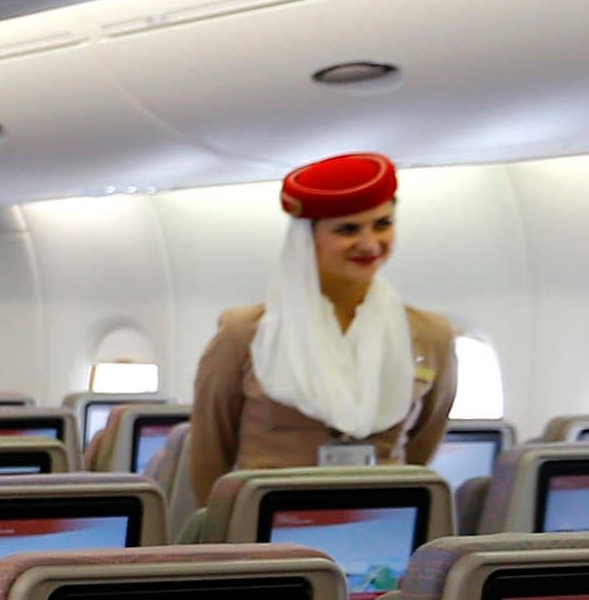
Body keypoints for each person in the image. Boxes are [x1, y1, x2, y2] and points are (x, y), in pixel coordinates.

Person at [180, 151, 459, 504]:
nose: (371, 244)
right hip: (264, 525)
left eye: (383, 224)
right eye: (347, 230)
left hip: (384, 517)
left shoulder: (429, 334)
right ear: (306, 238)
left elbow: (424, 440)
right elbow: (210, 448)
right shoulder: (246, 334)